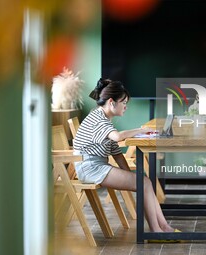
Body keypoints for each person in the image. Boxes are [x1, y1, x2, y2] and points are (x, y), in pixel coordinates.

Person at [73, 78, 176, 233]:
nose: (126, 107)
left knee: (144, 182)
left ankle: (164, 227)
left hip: (97, 166)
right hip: (90, 168)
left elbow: (117, 154)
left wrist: (130, 176)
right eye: (124, 102)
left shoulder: (103, 119)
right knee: (145, 183)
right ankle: (157, 230)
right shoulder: (98, 119)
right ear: (111, 102)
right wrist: (141, 130)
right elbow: (117, 137)